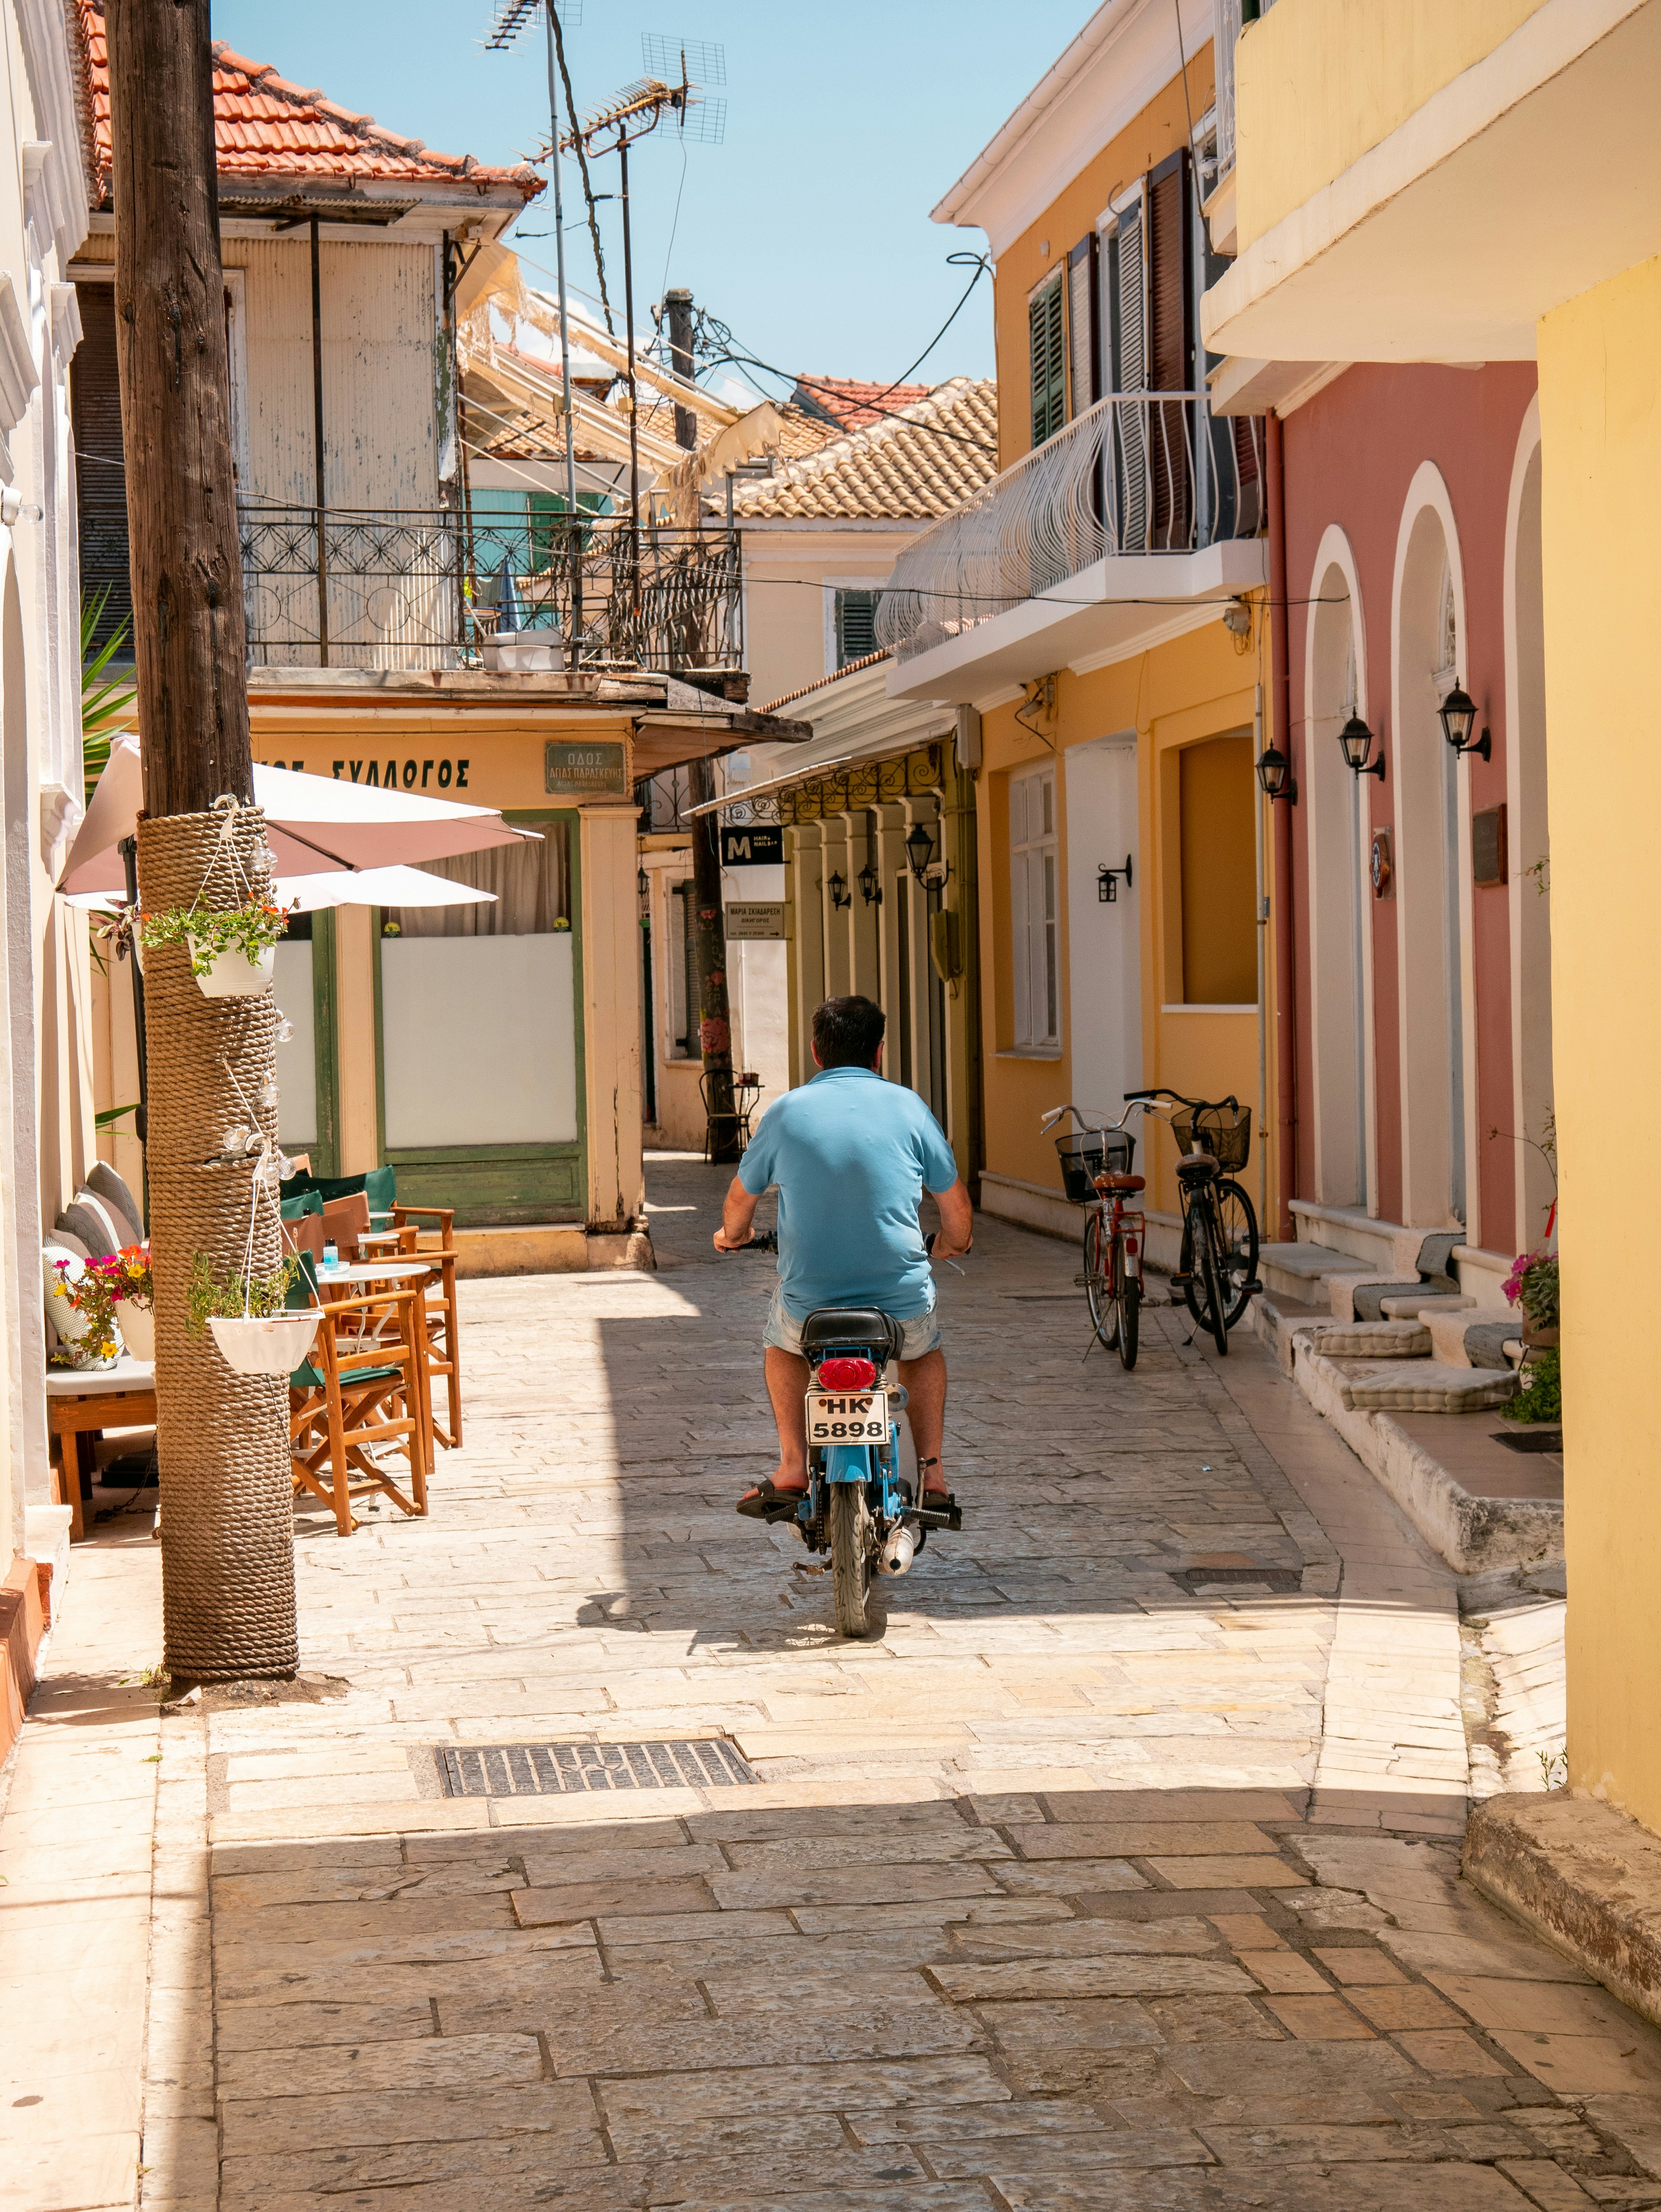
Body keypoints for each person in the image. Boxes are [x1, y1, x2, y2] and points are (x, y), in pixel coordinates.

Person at [714, 993, 974, 1515]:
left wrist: (733, 1233)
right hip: (897, 1297)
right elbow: (957, 1209)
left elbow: (740, 1199)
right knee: (921, 1355)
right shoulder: (909, 1107)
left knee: (781, 1346)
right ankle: (934, 1474)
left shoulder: (785, 1111)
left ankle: (792, 1464)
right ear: (879, 1052)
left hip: (812, 1300)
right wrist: (952, 1245)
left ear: (816, 1051)